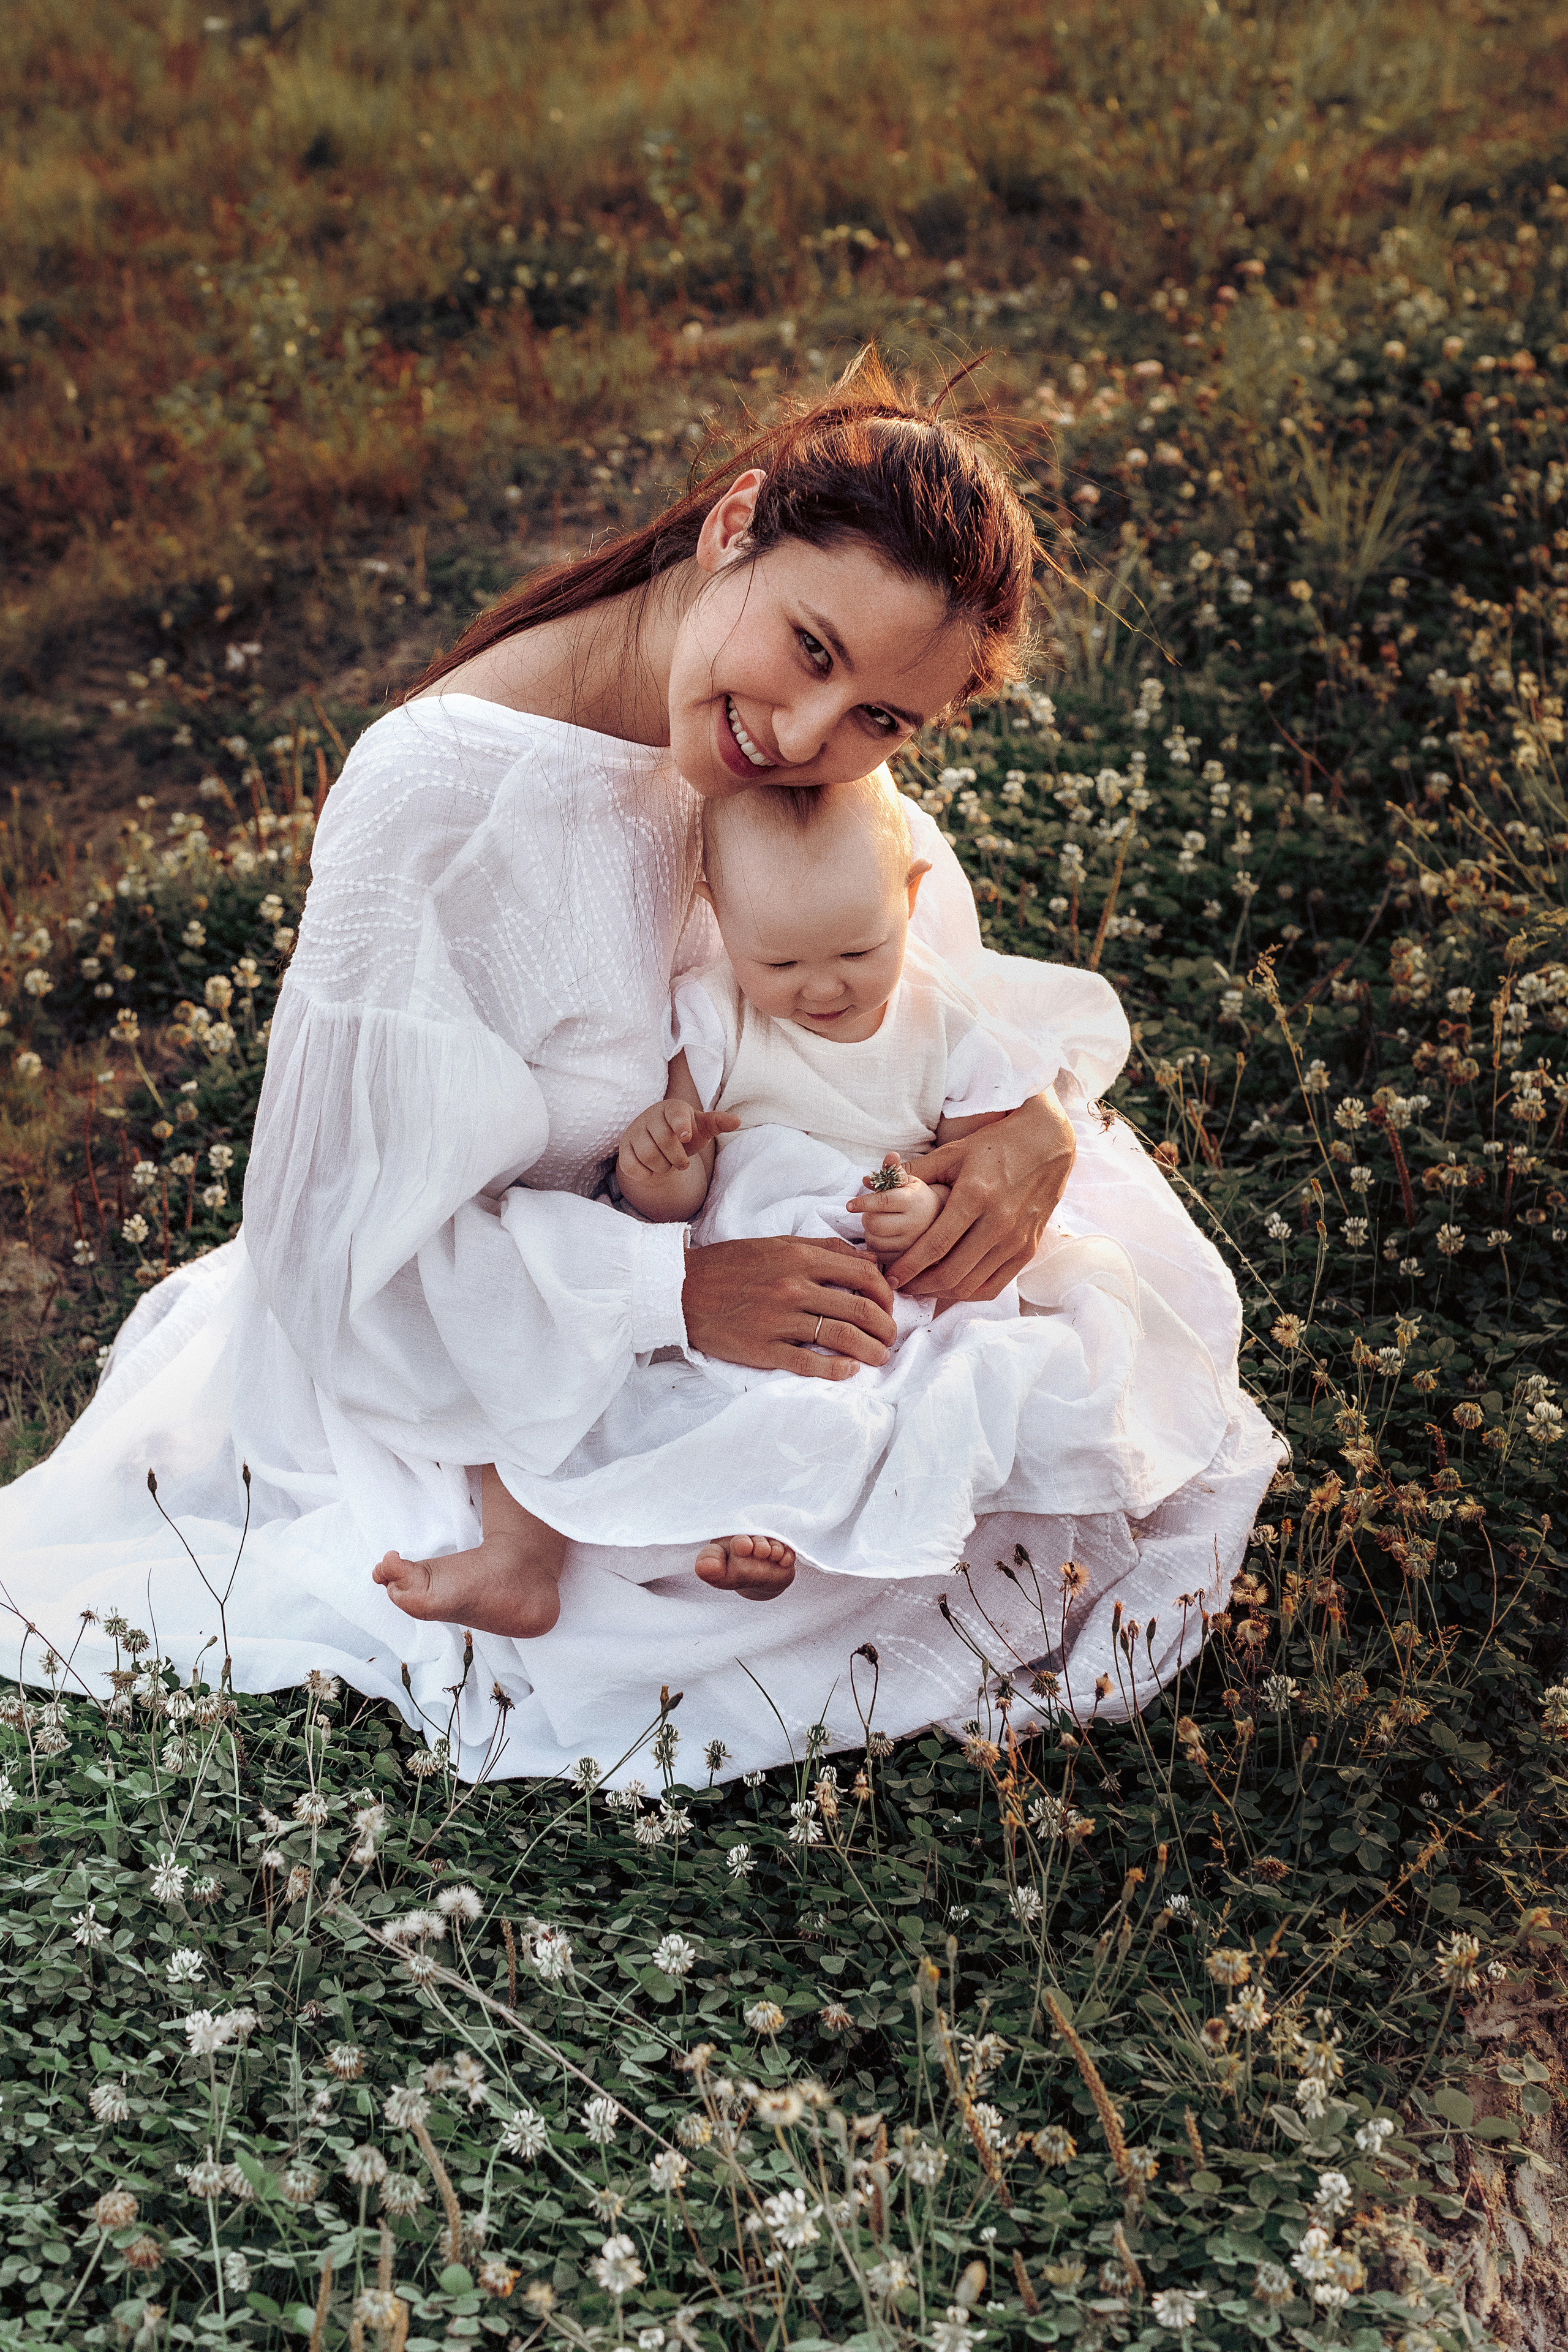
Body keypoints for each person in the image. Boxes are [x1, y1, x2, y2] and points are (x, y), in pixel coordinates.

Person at [0, 353, 1283, 1783]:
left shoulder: (793, 747)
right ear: (736, 522)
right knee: (790, 1545)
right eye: (808, 648)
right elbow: (333, 1256)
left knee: (1048, 1357)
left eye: (881, 720)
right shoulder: (436, 803)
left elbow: (893, 970)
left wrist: (1029, 1120)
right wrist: (670, 1294)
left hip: (748, 1221)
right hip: (492, 1340)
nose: (805, 740)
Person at [371, 773, 1229, 1643]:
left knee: (853, 1396)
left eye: (859, 953)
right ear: (717, 915)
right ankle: (520, 1557)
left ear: (911, 896)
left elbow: (966, 1169)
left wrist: (918, 1208)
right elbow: (681, 1199)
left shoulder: (943, 1021)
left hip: (872, 1270)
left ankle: (773, 1526)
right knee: (566, 1383)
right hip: (736, 1253)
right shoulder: (713, 1015)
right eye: (779, 963)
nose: (822, 988)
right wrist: (659, 1157)